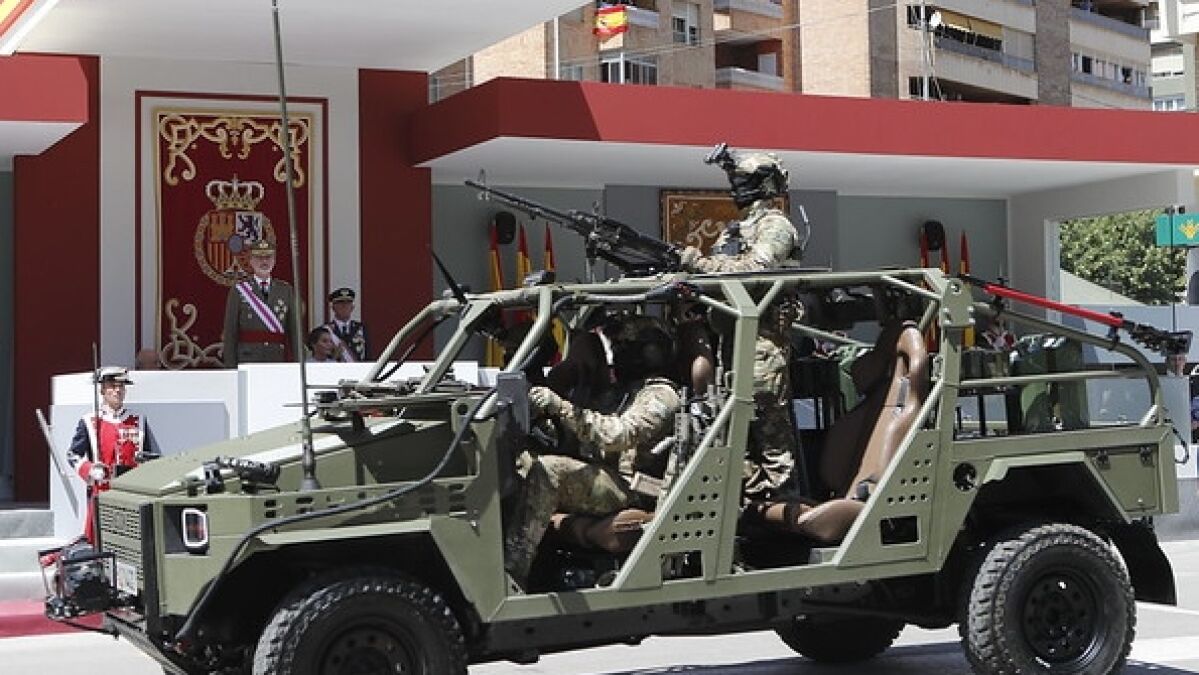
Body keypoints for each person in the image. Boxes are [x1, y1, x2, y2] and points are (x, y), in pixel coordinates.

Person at [503, 319, 682, 589]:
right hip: (604, 475)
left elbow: (618, 435)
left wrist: (562, 407)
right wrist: (549, 419)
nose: (617, 353)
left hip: (632, 488)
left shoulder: (661, 395)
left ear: (650, 352)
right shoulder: (620, 391)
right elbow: (585, 429)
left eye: (624, 346)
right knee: (521, 461)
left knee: (550, 470)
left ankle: (514, 573)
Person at [677, 145, 803, 502]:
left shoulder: (776, 226)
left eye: (744, 181)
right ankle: (749, 506)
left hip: (762, 345)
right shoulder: (733, 232)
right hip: (732, 342)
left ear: (765, 184)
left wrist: (695, 262)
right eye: (735, 181)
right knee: (733, 433)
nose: (737, 188)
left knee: (769, 433)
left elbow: (753, 269)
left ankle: (784, 507)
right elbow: (719, 275)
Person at [66, 367, 160, 543]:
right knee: (101, 541)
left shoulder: (138, 421)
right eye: (112, 386)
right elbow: (73, 455)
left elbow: (151, 456)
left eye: (121, 386)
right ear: (102, 390)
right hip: (102, 492)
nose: (117, 390)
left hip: (132, 493)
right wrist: (90, 469)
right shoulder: (90, 421)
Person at [221, 239, 297, 367]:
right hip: (248, 358)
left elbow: (294, 331)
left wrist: (298, 363)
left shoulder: (285, 290)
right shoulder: (239, 290)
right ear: (251, 261)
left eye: (268, 257)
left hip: (276, 358)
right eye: (259, 258)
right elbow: (230, 332)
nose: (264, 262)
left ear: (274, 260)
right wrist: (231, 367)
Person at [324, 287, 368, 362]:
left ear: (352, 307)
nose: (344, 306)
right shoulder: (326, 330)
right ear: (333, 307)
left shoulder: (361, 328)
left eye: (348, 303)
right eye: (340, 302)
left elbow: (367, 355)